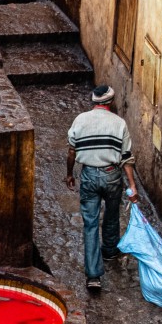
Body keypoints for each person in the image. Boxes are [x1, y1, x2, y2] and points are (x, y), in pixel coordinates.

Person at [66, 85, 139, 291]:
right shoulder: (119, 123)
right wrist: (132, 186)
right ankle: (109, 251)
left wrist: (70, 174)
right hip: (112, 175)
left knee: (90, 223)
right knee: (112, 214)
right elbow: (126, 158)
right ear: (111, 101)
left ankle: (93, 276)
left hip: (89, 174)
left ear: (94, 101)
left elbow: (72, 151)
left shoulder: (80, 120)